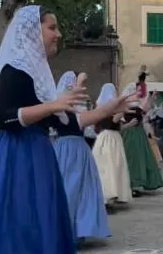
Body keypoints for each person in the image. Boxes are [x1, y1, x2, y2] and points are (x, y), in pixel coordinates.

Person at [0, 5, 90, 254]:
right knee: (14, 236)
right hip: (16, 159)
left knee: (41, 235)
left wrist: (111, 108)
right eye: (51, 27)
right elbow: (3, 119)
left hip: (37, 159)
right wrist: (53, 105)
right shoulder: (15, 71)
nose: (57, 34)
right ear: (32, 32)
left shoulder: (39, 75)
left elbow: (68, 124)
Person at [53, 71, 134, 243]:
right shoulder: (60, 110)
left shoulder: (75, 111)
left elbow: (92, 116)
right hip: (68, 151)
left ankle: (78, 229)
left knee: (82, 190)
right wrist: (81, 80)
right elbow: (83, 118)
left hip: (78, 150)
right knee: (70, 189)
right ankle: (66, 230)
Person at [92, 83, 132, 207]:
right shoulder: (106, 108)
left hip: (110, 138)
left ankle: (112, 196)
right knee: (109, 167)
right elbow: (112, 122)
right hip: (109, 139)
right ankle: (106, 197)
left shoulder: (101, 107)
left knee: (113, 167)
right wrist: (122, 109)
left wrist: (128, 124)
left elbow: (116, 126)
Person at [121, 82, 163, 193]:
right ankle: (131, 184)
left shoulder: (135, 103)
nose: (138, 91)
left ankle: (137, 184)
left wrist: (152, 97)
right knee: (132, 159)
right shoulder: (125, 104)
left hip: (139, 133)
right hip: (130, 133)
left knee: (141, 158)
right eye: (136, 89)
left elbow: (145, 109)